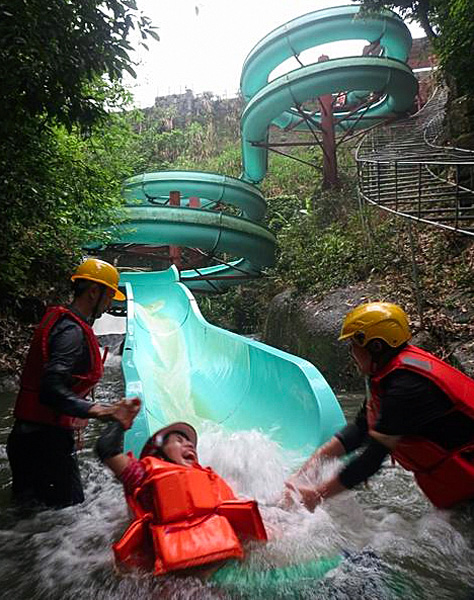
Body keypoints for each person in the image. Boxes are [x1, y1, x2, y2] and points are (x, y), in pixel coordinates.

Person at [284, 302, 474, 511]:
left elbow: (372, 459)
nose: (352, 353)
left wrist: (317, 496)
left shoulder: (406, 388)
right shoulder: (390, 375)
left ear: (376, 346)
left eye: (354, 345)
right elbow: (360, 430)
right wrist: (303, 475)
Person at [7, 257, 138, 509]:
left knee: (31, 516)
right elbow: (50, 389)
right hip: (45, 443)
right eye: (109, 296)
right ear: (93, 292)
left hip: (27, 437)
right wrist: (103, 410)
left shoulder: (64, 323)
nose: (109, 303)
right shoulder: (71, 332)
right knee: (70, 511)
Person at [95, 416, 268, 577]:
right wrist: (120, 420)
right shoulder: (142, 476)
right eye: (179, 441)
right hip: (174, 579)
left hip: (223, 567)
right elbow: (107, 450)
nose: (189, 445)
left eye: (190, 443)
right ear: (159, 455)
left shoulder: (211, 482)